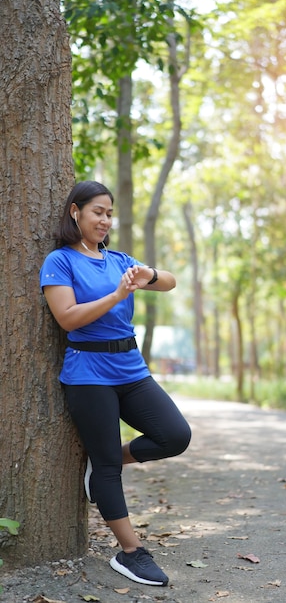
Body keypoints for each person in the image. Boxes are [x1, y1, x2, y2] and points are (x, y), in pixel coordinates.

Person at [39, 180, 191, 587]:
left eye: (109, 213)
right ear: (76, 212)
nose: (105, 220)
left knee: (175, 435)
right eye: (97, 212)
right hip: (88, 372)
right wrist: (118, 292)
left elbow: (169, 281)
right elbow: (68, 317)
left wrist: (150, 274)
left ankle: (106, 461)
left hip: (131, 368)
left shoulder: (119, 259)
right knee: (107, 468)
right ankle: (131, 553)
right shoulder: (60, 260)